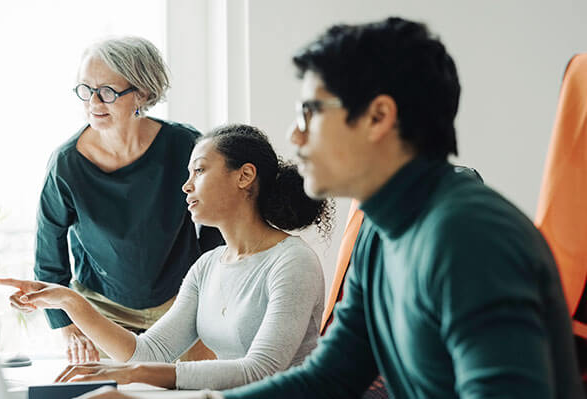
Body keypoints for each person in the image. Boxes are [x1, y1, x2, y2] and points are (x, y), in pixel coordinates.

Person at [77, 16, 585, 399]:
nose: (296, 135)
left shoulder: (469, 236)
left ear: (378, 117)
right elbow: (331, 375)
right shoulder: (380, 235)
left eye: (311, 112)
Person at [0, 123, 334, 390]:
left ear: (244, 176)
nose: (186, 186)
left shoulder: (291, 261)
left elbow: (260, 370)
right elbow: (148, 352)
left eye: (199, 171)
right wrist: (69, 301)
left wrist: (139, 375)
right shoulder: (207, 266)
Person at [25, 36, 223, 363]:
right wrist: (65, 326)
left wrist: (205, 294)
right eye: (85, 89)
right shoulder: (66, 164)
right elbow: (49, 249)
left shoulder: (185, 144)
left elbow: (216, 222)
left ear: (142, 93)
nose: (93, 102)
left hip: (180, 305)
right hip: (102, 311)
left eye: (107, 92)